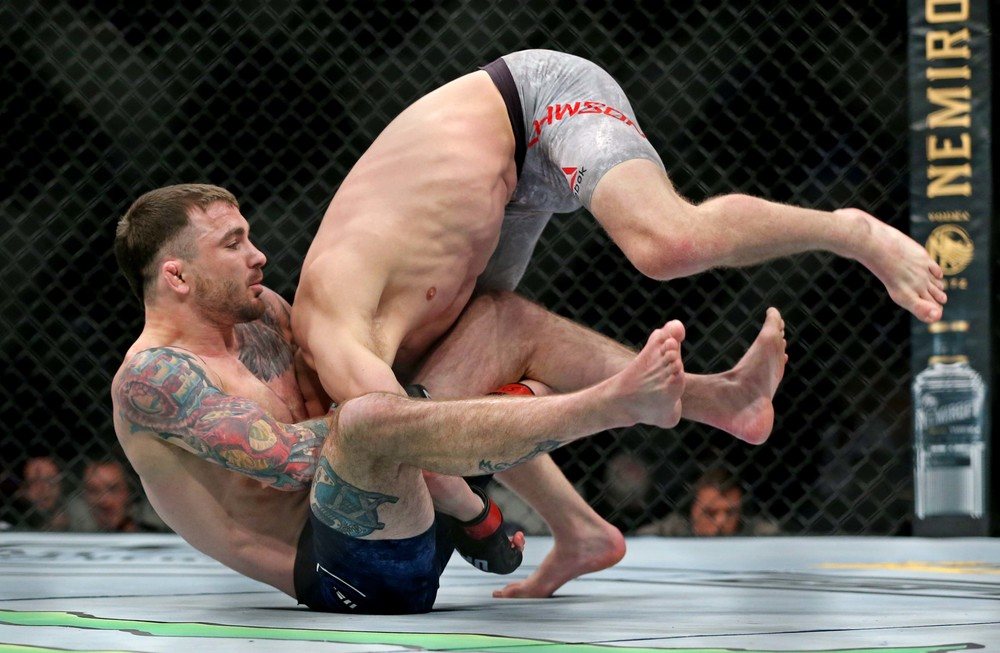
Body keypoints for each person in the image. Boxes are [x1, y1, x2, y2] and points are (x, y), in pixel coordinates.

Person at [291, 49, 945, 597]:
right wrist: (478, 517)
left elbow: (414, 446)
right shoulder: (362, 351)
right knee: (468, 373)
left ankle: (847, 230)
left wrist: (480, 521)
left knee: (664, 243)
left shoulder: (337, 335)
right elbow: (445, 431)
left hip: (529, 105)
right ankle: (594, 518)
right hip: (493, 208)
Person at [111, 184, 787, 613]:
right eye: (234, 244)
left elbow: (358, 394)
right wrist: (465, 428)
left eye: (250, 236)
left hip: (414, 488)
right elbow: (293, 459)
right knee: (369, 417)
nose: (258, 254)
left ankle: (718, 398)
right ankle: (612, 404)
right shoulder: (153, 381)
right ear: (176, 275)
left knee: (500, 320)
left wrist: (444, 395)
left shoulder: (263, 316)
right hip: (348, 572)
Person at [636, 467, 780, 537]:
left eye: (730, 512)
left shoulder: (757, 533)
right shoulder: (672, 530)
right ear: (691, 510)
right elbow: (643, 536)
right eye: (710, 513)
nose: (720, 522)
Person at [73, 459, 165, 533]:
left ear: (129, 491)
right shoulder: (68, 530)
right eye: (93, 491)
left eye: (113, 489)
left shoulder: (157, 533)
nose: (104, 501)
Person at [17, 456, 70, 531]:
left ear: (61, 485)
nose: (42, 489)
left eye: (49, 480)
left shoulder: (76, 515)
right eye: (33, 481)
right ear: (22, 489)